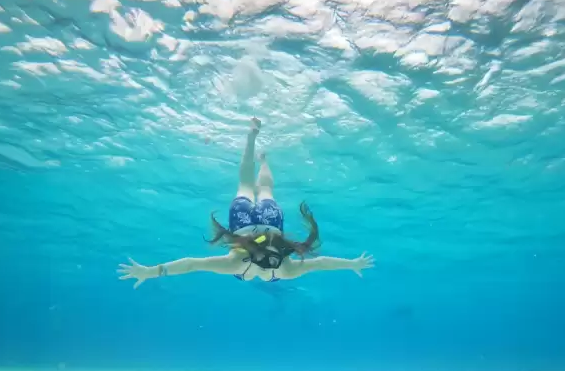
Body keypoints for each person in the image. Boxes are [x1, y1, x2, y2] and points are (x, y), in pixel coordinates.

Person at [118, 118, 374, 288]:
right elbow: (193, 263)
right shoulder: (260, 267)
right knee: (248, 185)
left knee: (263, 189)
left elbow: (320, 263)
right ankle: (254, 145)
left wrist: (352, 264)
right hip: (244, 226)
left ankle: (258, 152)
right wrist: (151, 272)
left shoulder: (280, 268)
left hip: (269, 223)